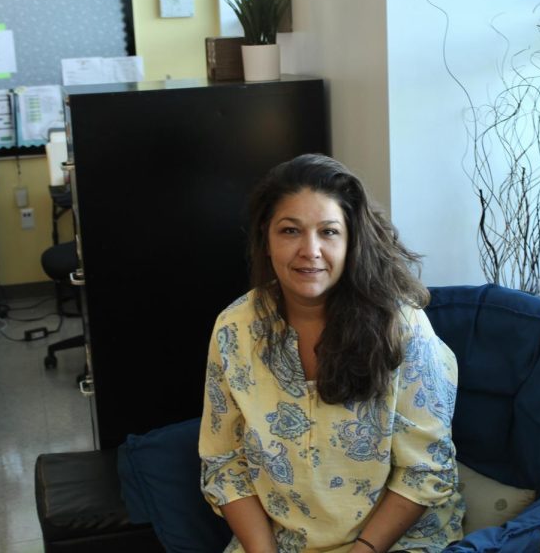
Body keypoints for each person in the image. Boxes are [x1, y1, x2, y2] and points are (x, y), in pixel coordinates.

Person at [199, 154, 464, 553]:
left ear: (352, 241)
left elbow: (425, 470)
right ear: (265, 239)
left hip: (394, 543)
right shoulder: (234, 329)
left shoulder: (404, 327)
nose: (310, 250)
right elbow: (224, 464)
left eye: (328, 232)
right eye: (290, 231)